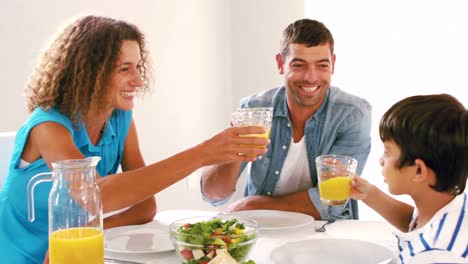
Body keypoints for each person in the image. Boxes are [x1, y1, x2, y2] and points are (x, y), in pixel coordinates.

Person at [0, 15, 269, 264]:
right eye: (124, 69)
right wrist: (203, 154)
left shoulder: (119, 118)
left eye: (138, 66)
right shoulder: (48, 126)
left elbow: (145, 206)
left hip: (77, 254)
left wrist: (81, 233)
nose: (138, 80)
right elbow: (96, 193)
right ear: (89, 72)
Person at [201, 18, 372, 220]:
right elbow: (213, 196)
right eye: (299, 65)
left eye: (321, 65)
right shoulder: (254, 109)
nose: (311, 76)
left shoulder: (352, 114)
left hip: (326, 232)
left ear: (333, 64)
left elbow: (330, 203)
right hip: (263, 230)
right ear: (281, 64)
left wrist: (252, 204)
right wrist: (235, 151)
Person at [350, 94, 467, 263]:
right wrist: (369, 194)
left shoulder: (437, 255)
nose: (381, 160)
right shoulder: (445, 204)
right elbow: (414, 224)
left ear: (418, 170)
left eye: (387, 152)